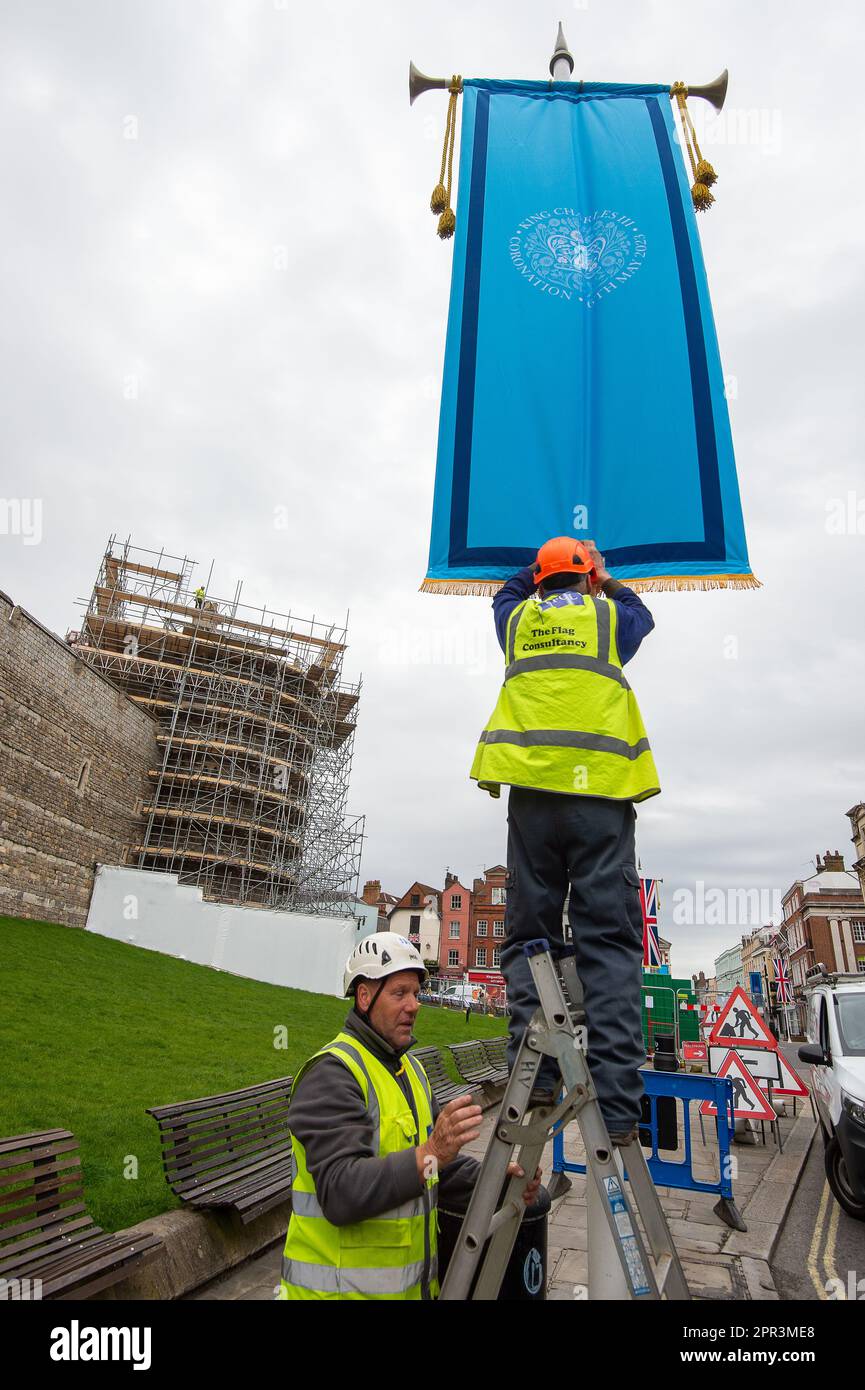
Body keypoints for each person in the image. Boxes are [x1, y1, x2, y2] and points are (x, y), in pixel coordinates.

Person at [470, 537, 659, 1146]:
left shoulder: (518, 621)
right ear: (583, 577)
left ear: (540, 578)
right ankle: (621, 1110)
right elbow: (643, 616)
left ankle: (539, 1080)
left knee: (532, 936)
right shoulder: (608, 619)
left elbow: (504, 594)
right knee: (609, 944)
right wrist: (600, 574)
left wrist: (539, 568)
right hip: (600, 801)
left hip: (534, 800)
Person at [279, 933, 540, 1300]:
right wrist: (433, 1150)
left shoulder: (410, 1072)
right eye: (400, 993)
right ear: (365, 996)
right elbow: (341, 1193)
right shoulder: (333, 1075)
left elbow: (433, 1171)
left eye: (416, 993)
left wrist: (496, 1178)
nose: (414, 1005)